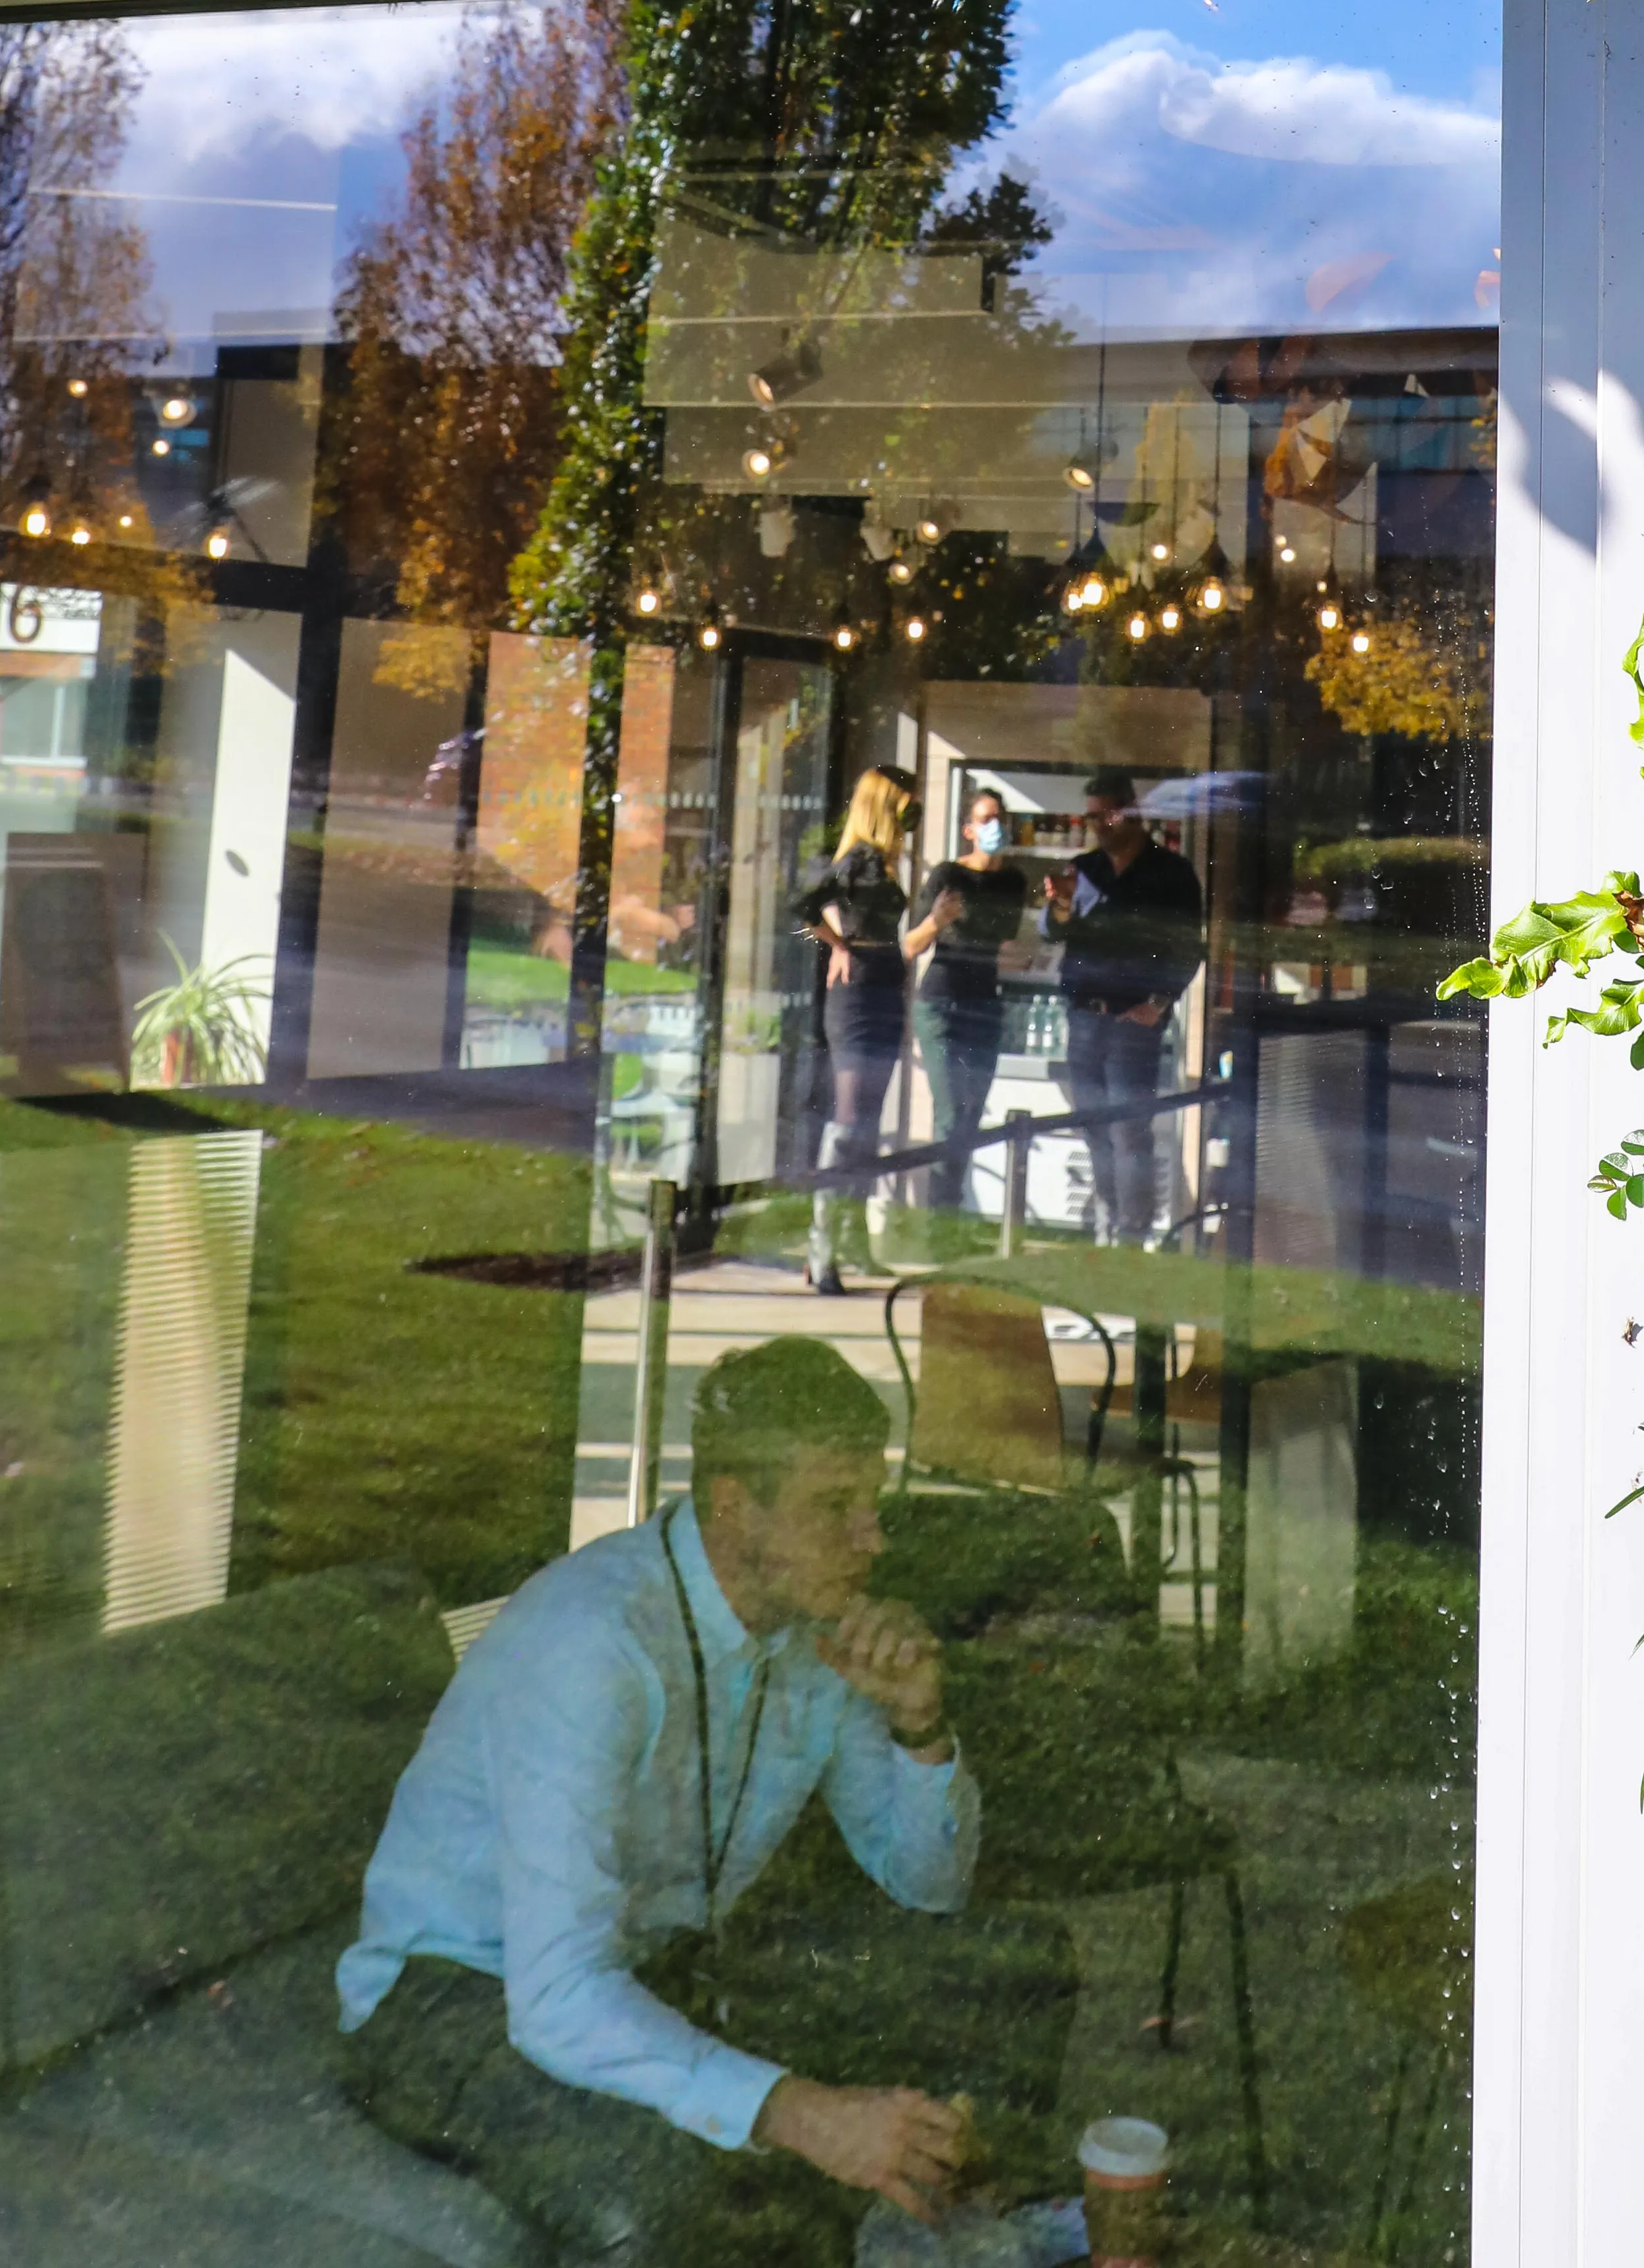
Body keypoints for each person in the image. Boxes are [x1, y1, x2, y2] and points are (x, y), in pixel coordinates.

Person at [340, 1337, 1072, 2264]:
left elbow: (926, 1889)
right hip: (455, 1995)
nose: (874, 1541)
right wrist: (806, 2115)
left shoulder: (814, 1625)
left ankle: (920, 2228)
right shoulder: (596, 1644)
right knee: (675, 2193)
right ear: (733, 1506)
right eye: (834, 1509)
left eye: (871, 1505)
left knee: (1016, 1966)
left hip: (660, 1963)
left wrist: (919, 1725)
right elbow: (558, 1993)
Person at [1051, 776, 1204, 1247]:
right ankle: (1106, 1223)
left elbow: (1189, 949)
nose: (1097, 825)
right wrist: (1058, 904)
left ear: (1131, 813)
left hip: (1132, 1021)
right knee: (1093, 1126)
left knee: (1128, 1131)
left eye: (1105, 815)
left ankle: (1132, 1235)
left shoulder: (1171, 873)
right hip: (1084, 1015)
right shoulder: (1083, 869)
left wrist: (1159, 1003)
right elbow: (1055, 933)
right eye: (1090, 817)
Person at [797, 764, 914, 1292]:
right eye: (907, 805)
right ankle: (822, 1249)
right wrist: (837, 943)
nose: (914, 815)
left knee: (865, 1121)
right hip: (859, 989)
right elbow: (800, 904)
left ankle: (849, 1243)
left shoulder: (883, 862)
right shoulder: (859, 859)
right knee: (848, 1121)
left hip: (884, 982)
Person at [901, 784, 1029, 1218]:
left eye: (1000, 819)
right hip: (942, 1004)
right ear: (969, 829)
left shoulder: (1013, 881)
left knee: (971, 1113)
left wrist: (1026, 957)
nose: (995, 827)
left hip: (985, 1003)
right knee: (951, 1112)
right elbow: (910, 945)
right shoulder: (948, 876)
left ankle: (950, 1216)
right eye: (986, 819)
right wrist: (936, 920)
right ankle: (941, 1220)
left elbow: (1003, 946)